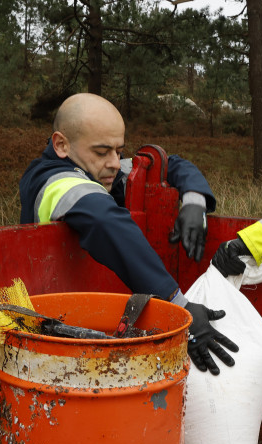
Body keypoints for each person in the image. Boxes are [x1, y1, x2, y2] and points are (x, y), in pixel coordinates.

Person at [19, 92, 237, 375]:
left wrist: (194, 202)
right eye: (102, 152)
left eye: (119, 150)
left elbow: (172, 164)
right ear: (61, 144)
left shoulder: (97, 168)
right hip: (56, 342)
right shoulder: (53, 181)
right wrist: (179, 307)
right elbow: (104, 220)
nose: (114, 162)